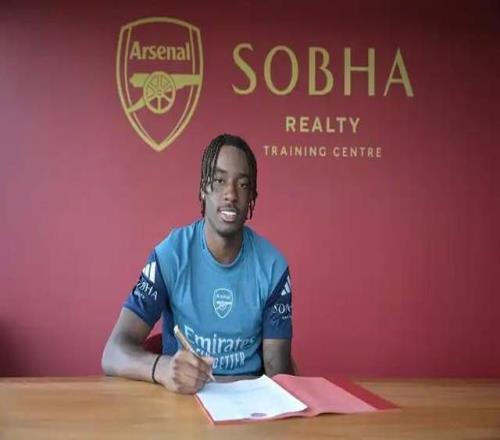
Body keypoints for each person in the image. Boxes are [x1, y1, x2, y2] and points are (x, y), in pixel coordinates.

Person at [102, 134, 293, 394]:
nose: (230, 194)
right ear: (203, 188)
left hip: (249, 405)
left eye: (243, 184)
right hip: (183, 401)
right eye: (219, 180)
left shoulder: (273, 266)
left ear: (252, 196)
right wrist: (163, 368)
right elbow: (113, 352)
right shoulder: (170, 255)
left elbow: (278, 372)